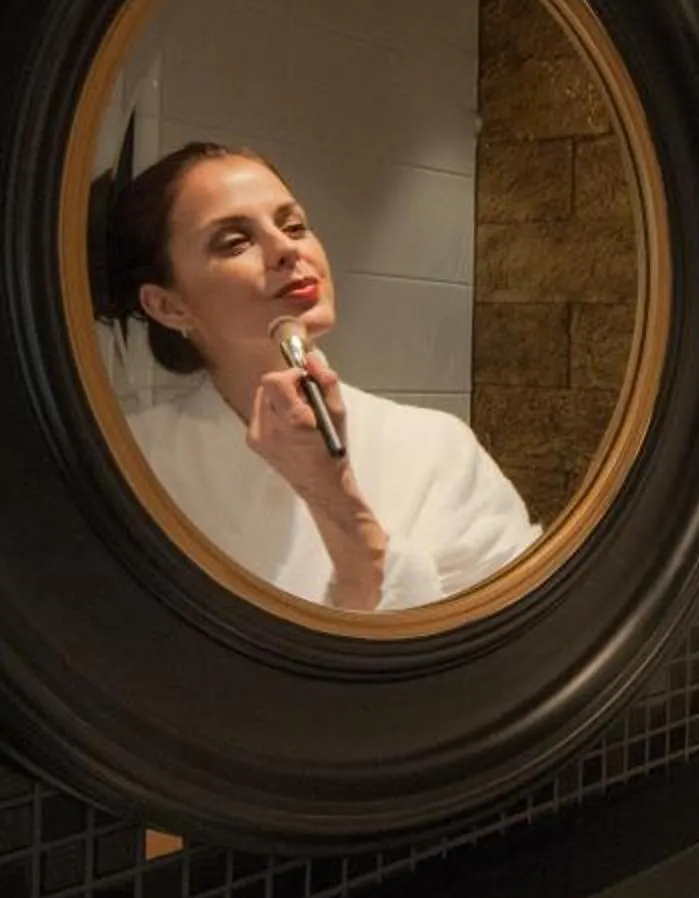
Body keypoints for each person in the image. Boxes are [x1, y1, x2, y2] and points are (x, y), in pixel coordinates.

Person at [102, 141, 541, 610]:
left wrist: (337, 501)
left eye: (294, 225)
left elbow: (510, 643)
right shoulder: (134, 462)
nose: (285, 248)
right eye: (235, 241)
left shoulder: (438, 450)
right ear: (168, 305)